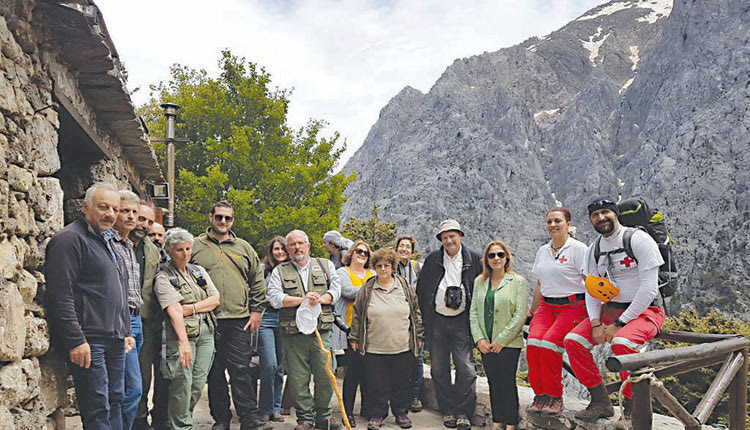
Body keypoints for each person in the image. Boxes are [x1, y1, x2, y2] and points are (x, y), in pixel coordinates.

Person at [563, 198, 665, 421]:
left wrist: (620, 324)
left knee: (623, 344)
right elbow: (591, 289)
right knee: (573, 341)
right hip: (610, 311)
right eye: (595, 214)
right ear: (591, 220)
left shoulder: (638, 240)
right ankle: (600, 401)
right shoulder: (594, 249)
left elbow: (649, 289)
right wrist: (595, 323)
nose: (601, 218)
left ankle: (631, 409)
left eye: (605, 212)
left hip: (646, 311)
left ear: (615, 213)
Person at [45, 182, 132, 430]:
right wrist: (75, 339)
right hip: (90, 339)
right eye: (103, 207)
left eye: (115, 209)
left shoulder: (106, 241)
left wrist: (124, 330)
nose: (111, 214)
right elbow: (60, 294)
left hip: (113, 338)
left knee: (116, 400)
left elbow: (118, 290)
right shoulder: (69, 239)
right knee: (98, 406)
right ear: (85, 207)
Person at [190, 200, 269, 430]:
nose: (223, 221)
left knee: (241, 370)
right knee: (214, 373)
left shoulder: (244, 247)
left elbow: (257, 281)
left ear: (233, 220)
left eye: (228, 218)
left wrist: (256, 311)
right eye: (219, 217)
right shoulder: (195, 246)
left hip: (238, 320)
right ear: (210, 217)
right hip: (207, 320)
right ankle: (221, 419)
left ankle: (249, 419)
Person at [266, 230, 344, 430]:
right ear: (288, 249)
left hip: (321, 333)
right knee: (297, 379)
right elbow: (274, 298)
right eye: (292, 244)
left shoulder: (325, 266)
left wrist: (321, 299)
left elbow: (336, 290)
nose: (297, 248)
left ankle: (324, 417)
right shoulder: (280, 271)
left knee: (326, 376)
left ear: (308, 246)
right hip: (293, 335)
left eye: (301, 243)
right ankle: (305, 418)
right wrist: (302, 300)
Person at [416, 220, 482, 430]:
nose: (449, 240)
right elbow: (422, 290)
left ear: (461, 236)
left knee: (465, 368)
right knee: (439, 368)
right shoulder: (433, 260)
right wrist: (422, 324)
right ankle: (448, 410)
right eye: (444, 237)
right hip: (437, 320)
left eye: (452, 236)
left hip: (462, 320)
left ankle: (463, 411)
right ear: (441, 240)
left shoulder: (474, 259)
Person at [349, 248, 423, 430]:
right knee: (376, 384)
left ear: (393, 267)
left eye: (386, 266)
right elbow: (357, 315)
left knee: (401, 382)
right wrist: (355, 337)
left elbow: (416, 313)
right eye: (379, 266)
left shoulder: (403, 286)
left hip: (402, 345)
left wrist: (419, 335)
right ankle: (377, 414)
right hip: (374, 346)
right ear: (374, 267)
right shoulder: (367, 288)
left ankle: (401, 412)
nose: (383, 269)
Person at [154, 228, 220, 430]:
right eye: (179, 249)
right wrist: (183, 343)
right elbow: (174, 310)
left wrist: (190, 308)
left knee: (198, 383)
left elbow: (215, 299)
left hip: (206, 333)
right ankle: (181, 426)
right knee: (182, 384)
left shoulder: (198, 272)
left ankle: (182, 419)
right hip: (181, 336)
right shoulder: (163, 277)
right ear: (169, 251)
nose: (185, 253)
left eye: (188, 248)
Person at [526, 208, 588, 416]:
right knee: (533, 344)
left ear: (568, 224)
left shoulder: (579, 249)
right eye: (549, 221)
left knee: (549, 344)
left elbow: (590, 282)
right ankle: (540, 394)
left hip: (572, 306)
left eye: (558, 221)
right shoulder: (543, 251)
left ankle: (555, 396)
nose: (553, 225)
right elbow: (539, 284)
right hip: (546, 306)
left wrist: (595, 315)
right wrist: (532, 311)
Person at [469, 241, 527, 430]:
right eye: (492, 255)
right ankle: (497, 422)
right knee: (493, 382)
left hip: (509, 343)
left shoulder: (517, 281)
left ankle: (510, 423)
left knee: (507, 382)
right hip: (486, 342)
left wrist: (501, 340)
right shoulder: (480, 281)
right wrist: (480, 339)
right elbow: (474, 312)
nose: (496, 259)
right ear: (485, 260)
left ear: (507, 258)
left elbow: (520, 314)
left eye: (500, 255)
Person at [111, 190, 145, 430]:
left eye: (134, 212)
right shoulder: (109, 244)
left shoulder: (128, 245)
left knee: (128, 387)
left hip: (137, 319)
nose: (131, 217)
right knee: (131, 389)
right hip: (121, 322)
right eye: (125, 211)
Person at [135, 203, 169, 430]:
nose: (154, 236)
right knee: (142, 375)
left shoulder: (164, 256)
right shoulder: (133, 248)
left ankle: (162, 419)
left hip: (164, 323)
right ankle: (139, 419)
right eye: (152, 231)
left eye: (159, 234)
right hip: (142, 321)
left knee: (166, 374)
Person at [333, 241, 375, 425]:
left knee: (369, 371)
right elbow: (347, 291)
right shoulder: (342, 272)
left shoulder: (372, 273)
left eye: (366, 253)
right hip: (351, 328)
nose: (362, 254)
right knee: (354, 372)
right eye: (359, 251)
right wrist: (371, 289)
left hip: (372, 330)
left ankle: (367, 408)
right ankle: (347, 411)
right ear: (351, 253)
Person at [258, 236, 289, 423]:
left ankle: (275, 408)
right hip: (266, 317)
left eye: (283, 249)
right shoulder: (263, 271)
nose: (279, 252)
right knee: (268, 365)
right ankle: (264, 408)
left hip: (285, 318)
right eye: (276, 249)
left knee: (280, 367)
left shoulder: (291, 270)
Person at [394, 236, 424, 413]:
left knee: (417, 358)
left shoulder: (418, 268)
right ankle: (399, 397)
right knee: (398, 358)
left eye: (408, 247)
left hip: (415, 318)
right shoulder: (389, 266)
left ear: (412, 252)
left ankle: (415, 396)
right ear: (396, 249)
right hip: (395, 319)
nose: (404, 249)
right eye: (401, 246)